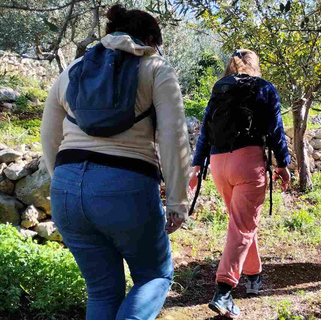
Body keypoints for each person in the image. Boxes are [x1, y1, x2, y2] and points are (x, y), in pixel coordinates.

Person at [40, 4, 190, 320]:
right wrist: (177, 203)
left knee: (102, 293)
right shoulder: (157, 69)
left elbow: (50, 136)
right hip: (126, 187)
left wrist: (65, 185)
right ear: (151, 39)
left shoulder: (72, 71)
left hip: (67, 190)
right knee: (154, 276)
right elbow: (174, 138)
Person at [189, 49, 291, 318]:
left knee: (241, 223)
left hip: (219, 163)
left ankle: (253, 275)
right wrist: (283, 164)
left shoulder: (219, 87)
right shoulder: (264, 88)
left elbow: (205, 128)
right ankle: (223, 290)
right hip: (248, 162)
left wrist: (197, 164)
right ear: (255, 65)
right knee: (242, 226)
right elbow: (276, 129)